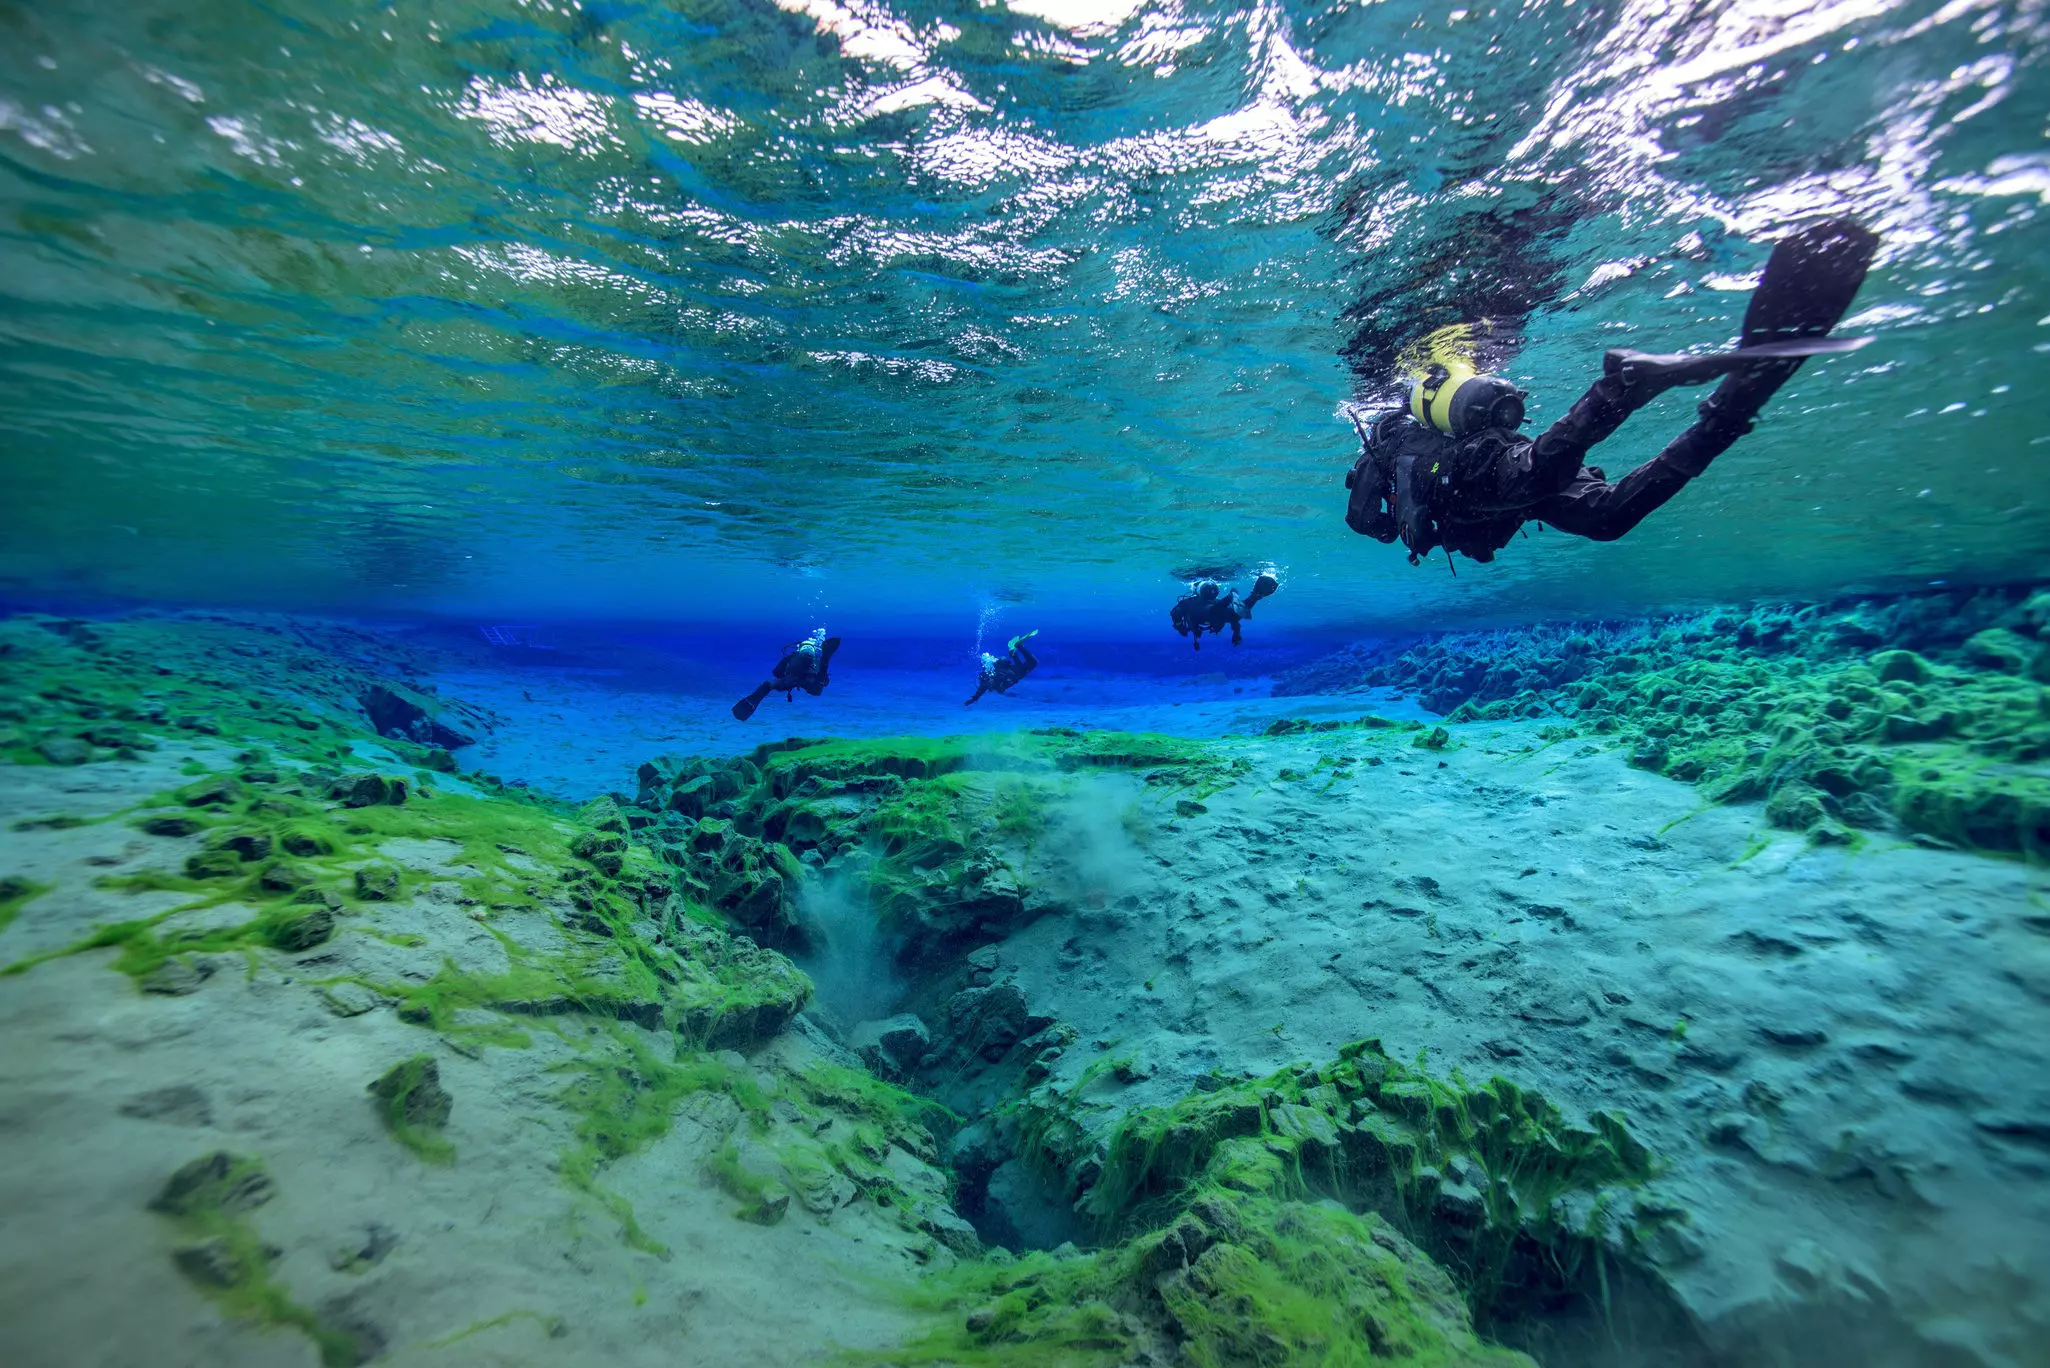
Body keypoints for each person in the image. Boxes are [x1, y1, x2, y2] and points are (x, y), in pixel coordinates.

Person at [1343, 218, 1879, 566]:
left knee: (1541, 475)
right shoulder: (1412, 445)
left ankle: (1620, 388)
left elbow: (1364, 523)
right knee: (1605, 519)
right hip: (1499, 466)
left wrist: (1403, 525)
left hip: (1474, 478)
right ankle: (1727, 414)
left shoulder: (1391, 455)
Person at [732, 629, 840, 721]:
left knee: (768, 685)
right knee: (819, 686)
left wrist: (783, 681)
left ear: (799, 648)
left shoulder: (791, 657)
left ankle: (751, 703)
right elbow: (825, 682)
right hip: (810, 681)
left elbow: (776, 672)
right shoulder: (816, 661)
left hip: (791, 679)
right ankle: (826, 659)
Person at [1170, 573, 1279, 650]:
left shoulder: (1188, 603)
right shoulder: (1197, 603)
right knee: (1232, 614)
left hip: (1210, 613)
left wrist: (1180, 627)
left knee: (1225, 613)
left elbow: (1175, 613)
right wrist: (1236, 634)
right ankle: (1253, 595)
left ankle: (1250, 595)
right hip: (1217, 612)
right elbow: (1234, 620)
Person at [965, 631, 1038, 706]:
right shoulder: (988, 681)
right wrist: (973, 699)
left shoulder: (988, 681)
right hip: (1013, 670)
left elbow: (981, 690)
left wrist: (974, 699)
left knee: (1029, 665)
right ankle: (1015, 650)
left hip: (1013, 671)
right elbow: (980, 691)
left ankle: (1016, 649)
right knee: (1030, 665)